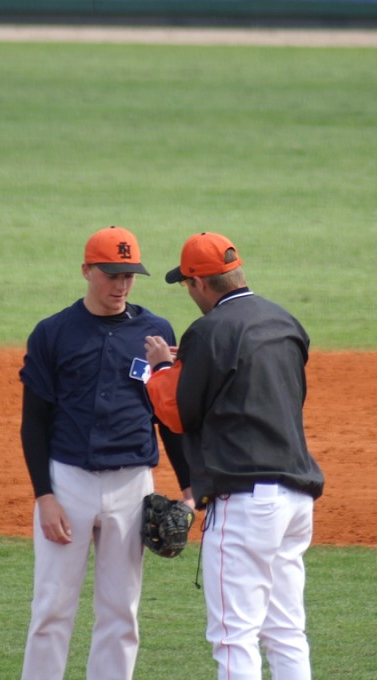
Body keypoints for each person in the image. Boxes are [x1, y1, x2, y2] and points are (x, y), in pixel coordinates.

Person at [143, 231, 325, 680]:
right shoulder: (285, 321)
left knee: (234, 636)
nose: (189, 294)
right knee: (286, 631)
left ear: (200, 283)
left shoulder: (209, 330)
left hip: (247, 504)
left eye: (187, 285)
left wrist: (162, 367)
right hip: (296, 499)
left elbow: (176, 413)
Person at [19, 225, 190, 680]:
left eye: (129, 275)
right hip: (68, 482)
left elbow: (168, 415)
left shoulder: (155, 332)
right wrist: (44, 495)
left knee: (121, 610)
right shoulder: (53, 333)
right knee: (52, 607)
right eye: (111, 274)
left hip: (132, 485)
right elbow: (34, 421)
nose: (121, 285)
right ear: (86, 271)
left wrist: (191, 484)